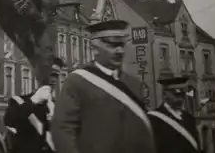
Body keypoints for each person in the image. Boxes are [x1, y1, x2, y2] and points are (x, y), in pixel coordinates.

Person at [51, 19, 156, 153]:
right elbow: (63, 130)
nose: (120, 51)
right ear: (95, 49)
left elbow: (142, 132)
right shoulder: (77, 81)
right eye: (113, 45)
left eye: (122, 45)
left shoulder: (134, 84)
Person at [4, 57, 64, 153]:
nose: (52, 79)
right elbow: (10, 121)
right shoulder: (19, 101)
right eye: (49, 74)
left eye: (55, 76)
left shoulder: (59, 106)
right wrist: (33, 101)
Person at [148, 76, 200, 153]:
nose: (181, 99)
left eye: (182, 95)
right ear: (164, 94)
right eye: (177, 95)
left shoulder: (189, 119)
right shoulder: (154, 119)